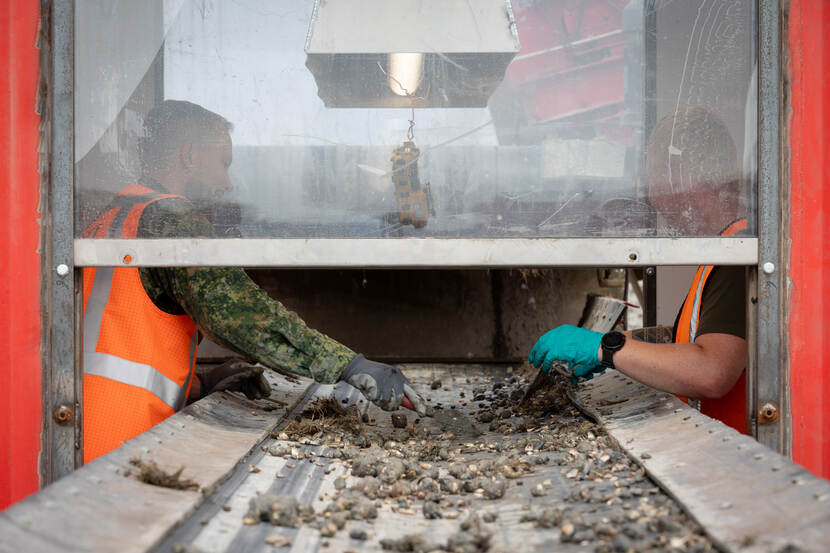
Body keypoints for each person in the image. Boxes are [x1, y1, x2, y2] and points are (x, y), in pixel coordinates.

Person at [82, 100, 427, 462]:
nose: (229, 183)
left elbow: (118, 341)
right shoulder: (171, 217)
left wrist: (200, 385)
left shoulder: (116, 214)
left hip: (93, 430)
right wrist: (348, 366)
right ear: (189, 156)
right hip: (124, 440)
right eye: (224, 164)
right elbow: (241, 314)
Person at [529, 105, 749, 433]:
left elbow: (712, 372)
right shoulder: (723, 247)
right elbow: (681, 340)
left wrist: (604, 349)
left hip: (740, 459)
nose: (653, 197)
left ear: (684, 175)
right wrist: (609, 341)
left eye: (656, 179)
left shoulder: (740, 255)